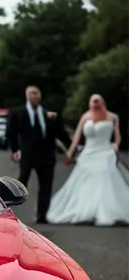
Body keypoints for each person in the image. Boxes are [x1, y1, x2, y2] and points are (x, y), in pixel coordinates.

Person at [46, 94, 129, 226]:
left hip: (106, 151)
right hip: (89, 152)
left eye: (98, 102)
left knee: (105, 177)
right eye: (93, 102)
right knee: (85, 179)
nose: (96, 105)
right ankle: (85, 208)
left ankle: (105, 210)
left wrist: (116, 146)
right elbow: (77, 137)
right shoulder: (85, 117)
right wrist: (70, 153)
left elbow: (118, 136)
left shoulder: (113, 117)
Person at [5, 86, 72, 224]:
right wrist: (15, 150)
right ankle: (6, 209)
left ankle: (42, 215)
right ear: (27, 96)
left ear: (40, 96)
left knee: (46, 185)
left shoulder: (48, 114)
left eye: (36, 94)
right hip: (27, 154)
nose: (34, 96)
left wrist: (71, 148)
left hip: (46, 155)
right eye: (32, 93)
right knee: (21, 182)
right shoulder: (18, 113)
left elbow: (60, 133)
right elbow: (11, 133)